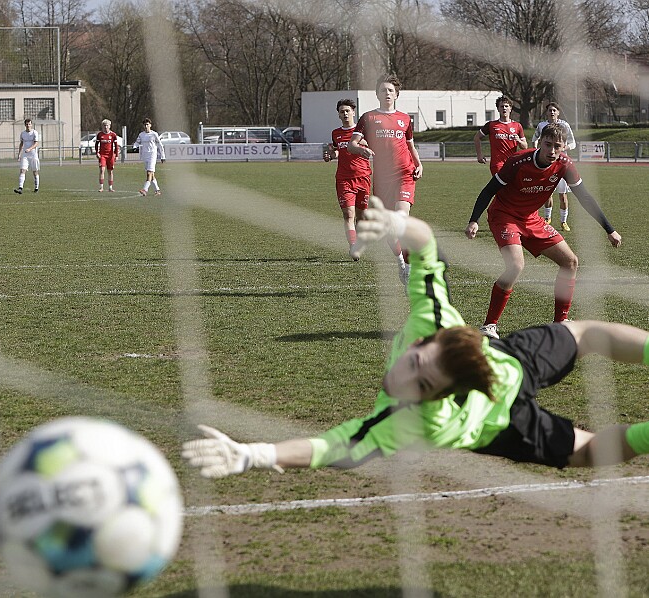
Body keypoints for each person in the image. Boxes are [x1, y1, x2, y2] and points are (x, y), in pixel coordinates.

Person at [183, 200, 649, 478]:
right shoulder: (434, 320)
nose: (405, 379)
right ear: (424, 342)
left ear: (442, 393)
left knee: (586, 362)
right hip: (505, 389)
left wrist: (258, 454)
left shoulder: (414, 418)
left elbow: (331, 447)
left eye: (422, 385)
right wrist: (397, 227)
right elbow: (427, 243)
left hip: (502, 392)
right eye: (416, 367)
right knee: (586, 430)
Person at [466, 123, 621, 339]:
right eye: (548, 145)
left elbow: (584, 197)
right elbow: (488, 191)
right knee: (516, 265)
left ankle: (561, 322)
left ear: (565, 147)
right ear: (540, 143)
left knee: (570, 262)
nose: (552, 151)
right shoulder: (518, 161)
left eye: (557, 146)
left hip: (532, 219)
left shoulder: (565, 165)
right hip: (505, 216)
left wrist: (609, 230)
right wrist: (474, 220)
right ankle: (489, 325)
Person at [349, 74, 423, 285]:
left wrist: (419, 164)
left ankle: (409, 267)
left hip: (404, 174)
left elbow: (410, 145)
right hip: (382, 179)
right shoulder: (368, 118)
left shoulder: (405, 119)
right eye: (383, 90)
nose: (387, 93)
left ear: (396, 94)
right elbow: (351, 145)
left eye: (391, 90)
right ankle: (401, 262)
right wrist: (361, 150)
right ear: (377, 94)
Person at [324, 99, 372, 259]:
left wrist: (366, 144)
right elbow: (338, 151)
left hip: (363, 178)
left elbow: (375, 149)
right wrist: (331, 155)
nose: (345, 114)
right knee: (348, 214)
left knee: (362, 216)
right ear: (338, 114)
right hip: (344, 179)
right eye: (341, 111)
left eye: (347, 111)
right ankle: (353, 246)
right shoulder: (336, 133)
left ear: (353, 112)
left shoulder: (364, 131)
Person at [532, 102, 576, 230]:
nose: (552, 112)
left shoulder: (564, 125)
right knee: (547, 193)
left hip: (561, 164)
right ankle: (547, 218)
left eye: (554, 110)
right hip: (546, 164)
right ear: (546, 113)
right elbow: (534, 139)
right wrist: (535, 149)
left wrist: (562, 148)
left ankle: (563, 221)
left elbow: (573, 143)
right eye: (550, 110)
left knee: (562, 195)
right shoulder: (542, 125)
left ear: (558, 112)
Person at [474, 96, 527, 175]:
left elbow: (525, 146)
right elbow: (477, 137)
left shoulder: (517, 126)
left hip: (512, 164)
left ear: (510, 108)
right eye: (502, 106)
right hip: (497, 164)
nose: (504, 108)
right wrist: (479, 155)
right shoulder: (491, 125)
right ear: (498, 109)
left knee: (510, 187)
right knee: (502, 186)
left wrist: (519, 141)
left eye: (506, 106)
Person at [133, 118, 165, 196]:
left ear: (150, 125)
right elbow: (137, 142)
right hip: (145, 155)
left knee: (149, 173)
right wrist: (135, 147)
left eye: (147, 124)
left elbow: (160, 145)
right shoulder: (141, 134)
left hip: (152, 155)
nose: (146, 126)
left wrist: (162, 156)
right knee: (152, 174)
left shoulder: (154, 134)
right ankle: (157, 190)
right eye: (145, 125)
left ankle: (145, 189)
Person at [14, 118, 39, 194]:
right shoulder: (23, 134)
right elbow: (21, 144)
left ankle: (36, 187)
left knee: (35, 172)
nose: (28, 125)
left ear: (31, 125)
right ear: (25, 125)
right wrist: (19, 154)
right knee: (22, 170)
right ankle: (20, 188)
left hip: (33, 154)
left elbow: (36, 143)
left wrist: (30, 149)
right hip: (25, 155)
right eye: (27, 124)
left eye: (29, 124)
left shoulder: (34, 132)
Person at [94, 119, 120, 192]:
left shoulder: (113, 135)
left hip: (110, 156)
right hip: (102, 155)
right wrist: (97, 152)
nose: (106, 127)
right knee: (102, 170)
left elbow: (116, 146)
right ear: (102, 126)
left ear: (110, 126)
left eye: (107, 125)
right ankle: (101, 187)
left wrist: (116, 155)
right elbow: (96, 144)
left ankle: (110, 187)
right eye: (104, 125)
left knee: (110, 171)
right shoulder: (100, 135)